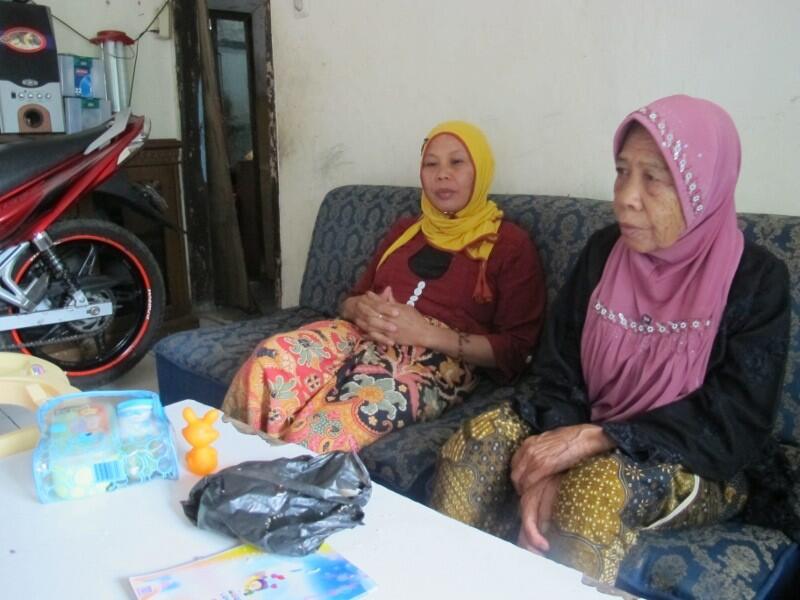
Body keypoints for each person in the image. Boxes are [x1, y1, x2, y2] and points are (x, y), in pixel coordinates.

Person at [430, 95, 796, 584]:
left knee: (594, 490)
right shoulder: (605, 251)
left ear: (700, 189)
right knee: (477, 442)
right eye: (622, 171)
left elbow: (734, 419)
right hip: (588, 421)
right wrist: (552, 453)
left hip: (699, 458)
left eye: (653, 178)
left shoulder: (755, 280)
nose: (625, 195)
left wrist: (594, 439)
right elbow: (557, 370)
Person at [222, 121, 546, 453]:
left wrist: (425, 334)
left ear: (481, 170)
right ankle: (234, 471)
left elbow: (517, 350)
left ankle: (282, 494)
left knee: (328, 425)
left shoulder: (509, 245)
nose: (442, 174)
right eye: (430, 164)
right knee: (270, 363)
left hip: (435, 359)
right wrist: (357, 309)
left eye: (457, 162)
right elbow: (351, 299)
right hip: (359, 333)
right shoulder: (406, 230)